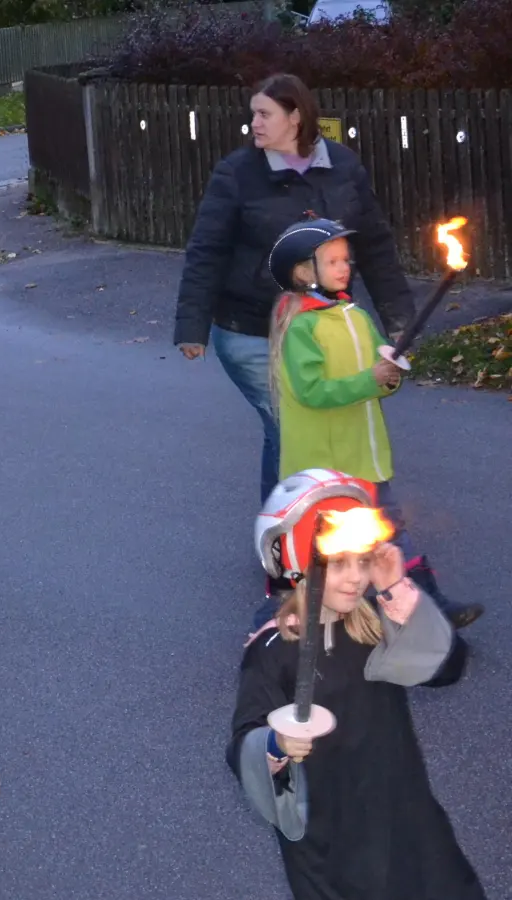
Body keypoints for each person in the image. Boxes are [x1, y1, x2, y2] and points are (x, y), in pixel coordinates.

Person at [230, 469, 482, 900]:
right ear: (296, 565)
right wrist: (275, 745)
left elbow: (447, 667)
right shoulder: (273, 650)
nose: (354, 578)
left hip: (403, 813)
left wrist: (397, 590)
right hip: (329, 835)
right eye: (338, 563)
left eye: (362, 562)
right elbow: (243, 742)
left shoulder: (376, 630)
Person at [176, 72, 414, 504]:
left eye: (265, 114)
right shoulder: (237, 173)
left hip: (325, 326)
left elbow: (375, 244)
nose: (255, 124)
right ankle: (286, 542)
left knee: (325, 422)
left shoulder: (342, 165)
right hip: (250, 329)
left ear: (296, 117)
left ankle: (335, 523)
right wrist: (191, 325)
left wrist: (398, 318)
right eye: (253, 115)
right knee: (289, 426)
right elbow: (206, 250)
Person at [263, 218, 483, 629]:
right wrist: (371, 380)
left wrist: (388, 378)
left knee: (392, 534)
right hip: (326, 464)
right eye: (332, 261)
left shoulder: (356, 315)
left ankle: (429, 609)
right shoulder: (300, 326)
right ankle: (287, 624)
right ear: (303, 271)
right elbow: (312, 392)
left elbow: (373, 380)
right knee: (320, 548)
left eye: (346, 259)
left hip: (365, 455)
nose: (345, 267)